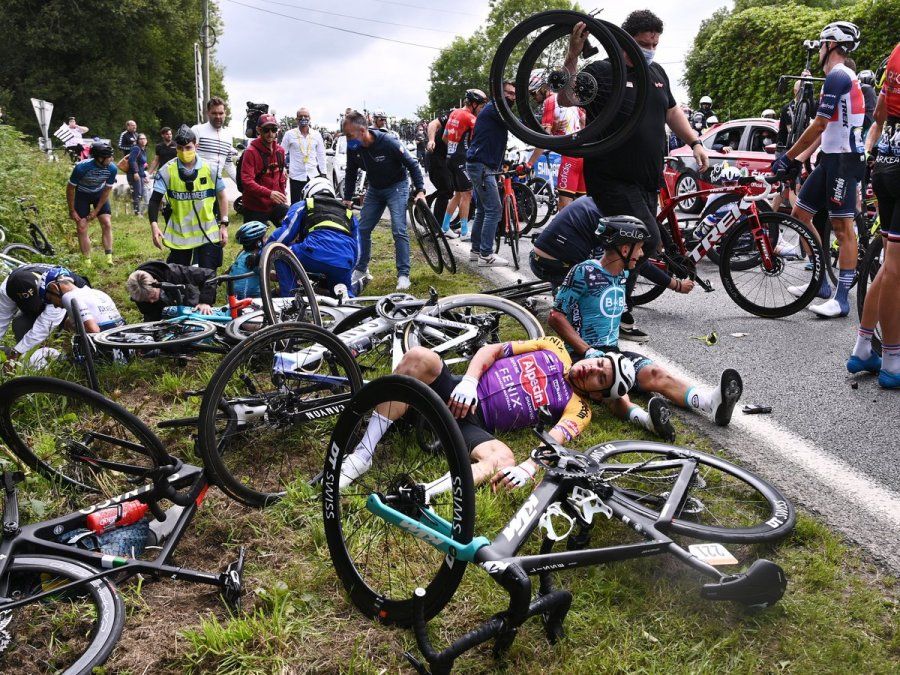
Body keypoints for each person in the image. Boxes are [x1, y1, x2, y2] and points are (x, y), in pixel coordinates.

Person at [559, 10, 709, 343]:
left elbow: (671, 112)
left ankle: (603, 305)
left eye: (655, 43)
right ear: (626, 39)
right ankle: (611, 308)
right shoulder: (602, 71)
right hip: (611, 176)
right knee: (647, 240)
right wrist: (572, 54)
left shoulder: (655, 73)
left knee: (627, 244)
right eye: (644, 43)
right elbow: (566, 97)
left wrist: (695, 142)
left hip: (646, 180)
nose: (650, 48)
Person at [337, 335, 641, 494]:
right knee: (419, 357)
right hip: (456, 390)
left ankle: (424, 494)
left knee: (503, 458)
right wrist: (469, 380)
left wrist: (528, 469)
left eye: (601, 378)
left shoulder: (580, 407)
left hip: (473, 424)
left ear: (600, 395)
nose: (592, 369)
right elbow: (492, 351)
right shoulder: (554, 347)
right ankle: (362, 456)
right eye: (600, 363)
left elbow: (554, 439)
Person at [548, 216, 743, 435]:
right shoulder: (584, 272)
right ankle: (647, 421)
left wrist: (676, 282)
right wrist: (588, 351)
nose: (641, 254)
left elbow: (648, 268)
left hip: (612, 353)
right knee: (616, 391)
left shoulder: (622, 273)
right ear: (624, 249)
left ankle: (711, 403)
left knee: (655, 373)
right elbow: (555, 316)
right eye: (639, 248)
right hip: (581, 356)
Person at [773, 21, 865, 318]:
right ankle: (821, 285)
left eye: (822, 45)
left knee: (842, 227)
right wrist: (800, 159)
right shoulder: (836, 78)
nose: (819, 50)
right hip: (829, 158)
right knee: (800, 215)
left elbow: (820, 124)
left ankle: (841, 299)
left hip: (845, 159)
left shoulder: (839, 76)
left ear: (831, 46)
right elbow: (826, 130)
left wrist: (789, 156)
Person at [849, 41, 900, 388]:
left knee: (889, 264)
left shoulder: (896, 52)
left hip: (885, 161)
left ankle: (864, 347)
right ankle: (894, 362)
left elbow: (881, 111)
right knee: (896, 266)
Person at [530, 194, 694, 297]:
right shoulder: (614, 221)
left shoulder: (598, 199)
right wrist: (676, 285)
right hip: (558, 267)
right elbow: (633, 259)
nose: (642, 251)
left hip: (539, 260)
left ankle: (561, 290)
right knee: (611, 272)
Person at [342, 110, 425, 291]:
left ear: (362, 130)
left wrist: (420, 190)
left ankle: (403, 275)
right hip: (375, 188)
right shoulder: (353, 148)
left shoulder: (387, 142)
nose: (348, 140)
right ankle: (361, 268)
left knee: (398, 229)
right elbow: (350, 172)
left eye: (349, 135)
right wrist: (347, 198)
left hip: (397, 186)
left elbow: (412, 164)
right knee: (363, 228)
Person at [148, 125, 229, 271]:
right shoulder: (166, 171)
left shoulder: (211, 168)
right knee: (180, 280)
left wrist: (224, 225)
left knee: (208, 279)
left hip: (207, 234)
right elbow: (154, 200)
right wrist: (154, 225)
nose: (184, 152)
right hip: (180, 237)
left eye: (188, 147)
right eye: (180, 148)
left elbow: (222, 197)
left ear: (196, 146)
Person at [268, 176, 361, 296]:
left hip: (312, 253)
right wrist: (348, 267)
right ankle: (349, 305)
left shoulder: (305, 204)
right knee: (342, 294)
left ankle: (288, 300)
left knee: (281, 254)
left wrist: (264, 252)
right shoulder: (349, 214)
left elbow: (285, 234)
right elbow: (358, 251)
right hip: (344, 260)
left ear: (308, 192)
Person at [466, 80, 518, 267]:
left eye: (514, 94)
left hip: (481, 165)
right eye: (509, 93)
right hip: (481, 167)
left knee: (482, 210)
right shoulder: (497, 109)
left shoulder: (495, 110)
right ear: (499, 93)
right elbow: (517, 126)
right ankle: (486, 255)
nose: (512, 97)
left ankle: (475, 250)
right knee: (494, 210)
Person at [523, 69, 586, 210]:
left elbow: (543, 139)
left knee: (564, 207)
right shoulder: (571, 100)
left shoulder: (550, 101)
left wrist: (530, 163)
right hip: (584, 156)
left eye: (533, 93)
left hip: (570, 157)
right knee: (582, 206)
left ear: (542, 88)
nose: (533, 97)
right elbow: (583, 123)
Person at [0, 263, 86, 361]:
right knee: (20, 323)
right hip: (46, 300)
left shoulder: (53, 286)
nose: (35, 308)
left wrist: (16, 352)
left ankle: (68, 359)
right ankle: (30, 357)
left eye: (35, 301)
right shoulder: (6, 290)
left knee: (69, 325)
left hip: (72, 303)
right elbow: (1, 319)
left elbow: (44, 325)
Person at [440, 88, 487, 239]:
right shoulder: (470, 118)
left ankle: (445, 227)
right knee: (467, 193)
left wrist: (454, 148)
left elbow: (444, 137)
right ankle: (465, 231)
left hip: (450, 157)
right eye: (480, 106)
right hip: (461, 158)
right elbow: (480, 139)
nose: (481, 109)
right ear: (473, 104)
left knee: (458, 194)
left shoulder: (454, 113)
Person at [67, 141, 117, 266]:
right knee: (82, 227)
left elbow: (107, 190)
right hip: (82, 195)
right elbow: (70, 188)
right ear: (100, 158)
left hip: (99, 194)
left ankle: (109, 258)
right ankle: (87, 261)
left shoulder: (112, 168)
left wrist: (96, 211)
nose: (111, 159)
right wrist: (72, 210)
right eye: (108, 157)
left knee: (106, 223)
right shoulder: (81, 167)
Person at [38, 266, 123, 334]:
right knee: (68, 323)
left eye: (50, 299)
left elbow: (94, 330)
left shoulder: (68, 296)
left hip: (107, 344)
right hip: (122, 334)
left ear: (54, 287)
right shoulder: (97, 292)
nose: (55, 306)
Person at [240, 113, 289, 226]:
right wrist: (269, 193)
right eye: (266, 130)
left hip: (275, 204)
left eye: (274, 129)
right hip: (254, 206)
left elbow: (280, 176)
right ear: (258, 130)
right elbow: (247, 181)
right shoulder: (250, 152)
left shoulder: (280, 151)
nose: (270, 134)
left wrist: (282, 194)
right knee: (253, 242)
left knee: (293, 230)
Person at [125, 261, 217, 321]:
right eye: (146, 301)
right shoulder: (138, 291)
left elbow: (209, 274)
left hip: (191, 305)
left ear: (156, 283)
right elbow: (150, 315)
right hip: (166, 315)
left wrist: (205, 301)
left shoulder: (173, 272)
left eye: (153, 296)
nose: (151, 301)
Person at [281, 107, 327, 204]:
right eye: (300, 116)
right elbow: (282, 153)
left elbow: (321, 155)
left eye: (305, 116)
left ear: (310, 118)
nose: (303, 118)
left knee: (313, 205)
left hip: (313, 175)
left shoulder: (316, 135)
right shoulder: (289, 134)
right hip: (296, 176)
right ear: (296, 119)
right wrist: (283, 168)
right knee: (297, 204)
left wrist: (323, 173)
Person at [192, 97, 238, 183]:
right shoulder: (197, 130)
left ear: (225, 113)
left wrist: (243, 185)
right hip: (197, 184)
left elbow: (228, 164)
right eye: (214, 113)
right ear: (208, 113)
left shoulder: (228, 136)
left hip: (217, 185)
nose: (218, 117)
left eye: (221, 113)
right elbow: (187, 158)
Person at [425, 110, 453, 225]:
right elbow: (433, 124)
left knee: (458, 187)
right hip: (436, 155)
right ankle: (437, 228)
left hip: (451, 158)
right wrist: (431, 140)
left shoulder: (477, 120)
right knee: (445, 190)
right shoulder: (454, 114)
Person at [229, 221, 267, 299]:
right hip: (248, 298)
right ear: (258, 243)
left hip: (232, 295)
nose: (267, 239)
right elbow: (272, 276)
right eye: (265, 237)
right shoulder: (255, 258)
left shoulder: (242, 253)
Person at [127, 133, 149, 216]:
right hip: (134, 174)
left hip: (140, 174)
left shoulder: (143, 150)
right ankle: (137, 212)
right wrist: (135, 172)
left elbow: (142, 165)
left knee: (141, 193)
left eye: (144, 138)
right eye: (141, 139)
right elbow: (131, 160)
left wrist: (144, 176)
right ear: (138, 141)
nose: (143, 140)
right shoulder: (136, 148)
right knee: (137, 193)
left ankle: (139, 211)